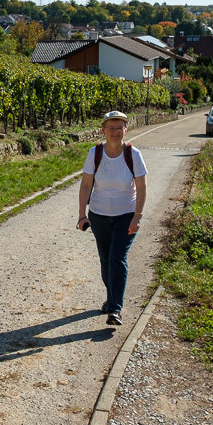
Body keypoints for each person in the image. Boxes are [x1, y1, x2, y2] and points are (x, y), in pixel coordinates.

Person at [76, 110, 147, 326]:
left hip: (126, 215)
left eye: (119, 128)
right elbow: (86, 184)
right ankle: (111, 298)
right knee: (106, 260)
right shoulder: (95, 153)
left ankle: (115, 309)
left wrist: (137, 216)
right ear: (103, 130)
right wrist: (82, 214)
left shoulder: (133, 154)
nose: (115, 132)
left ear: (126, 129)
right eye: (111, 128)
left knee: (117, 259)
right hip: (99, 216)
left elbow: (142, 187)